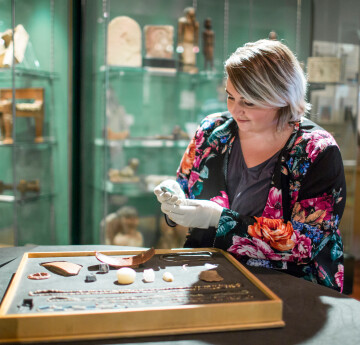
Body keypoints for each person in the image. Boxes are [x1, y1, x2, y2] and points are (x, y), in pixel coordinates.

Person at [154, 39, 346, 292]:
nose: (236, 110)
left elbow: (308, 242)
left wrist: (218, 218)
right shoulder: (212, 131)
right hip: (208, 275)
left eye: (249, 102)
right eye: (230, 97)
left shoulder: (316, 151)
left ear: (282, 97)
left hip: (289, 286)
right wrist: (174, 193)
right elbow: (186, 183)